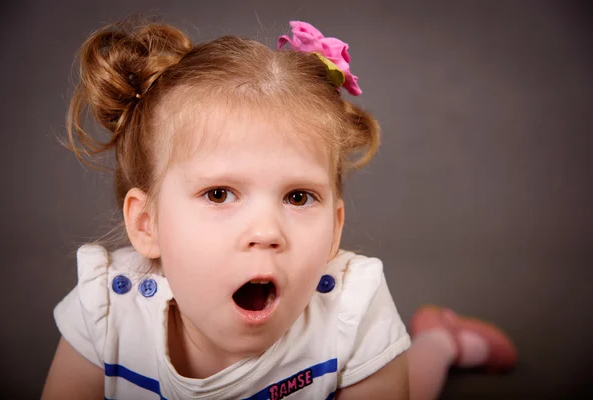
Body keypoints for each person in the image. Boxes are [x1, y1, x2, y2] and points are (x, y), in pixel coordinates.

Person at [42, 19, 517, 400]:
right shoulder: (108, 309)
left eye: (297, 197)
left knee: (417, 379)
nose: (267, 230)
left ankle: (439, 342)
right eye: (219, 194)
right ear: (148, 225)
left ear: (335, 228)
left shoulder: (351, 311)